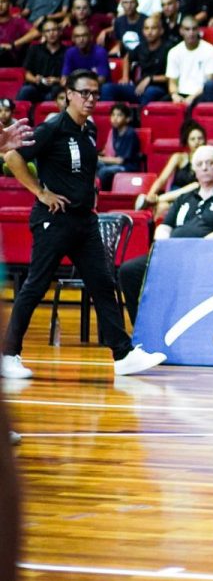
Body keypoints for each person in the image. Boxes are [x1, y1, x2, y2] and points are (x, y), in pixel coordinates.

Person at [2, 69, 167, 380]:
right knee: (36, 286)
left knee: (104, 283)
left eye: (95, 93)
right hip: (55, 220)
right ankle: (9, 354)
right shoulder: (52, 128)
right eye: (84, 93)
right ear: (69, 94)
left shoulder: (89, 130)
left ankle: (123, 355)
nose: (91, 99)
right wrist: (40, 191)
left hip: (84, 222)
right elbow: (12, 157)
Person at [119, 144, 213, 324]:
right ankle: (142, 327)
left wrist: (193, 248)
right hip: (172, 254)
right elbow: (165, 226)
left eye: (210, 163)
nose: (204, 167)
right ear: (194, 170)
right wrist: (165, 246)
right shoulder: (184, 198)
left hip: (206, 258)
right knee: (129, 271)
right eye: (200, 164)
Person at [138, 120, 206, 216]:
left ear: (205, 141)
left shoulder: (208, 160)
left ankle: (157, 199)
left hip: (196, 198)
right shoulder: (178, 157)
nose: (197, 142)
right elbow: (162, 179)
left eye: (200, 138)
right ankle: (151, 202)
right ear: (187, 141)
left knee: (196, 185)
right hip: (173, 197)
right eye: (193, 139)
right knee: (162, 207)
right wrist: (151, 194)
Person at [102, 13, 170, 105]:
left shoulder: (169, 49)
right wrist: (125, 76)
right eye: (146, 28)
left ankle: (140, 119)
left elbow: (172, 77)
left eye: (153, 28)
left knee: (150, 92)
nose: (149, 32)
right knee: (107, 88)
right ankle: (115, 117)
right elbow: (127, 58)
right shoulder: (141, 47)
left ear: (161, 30)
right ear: (142, 31)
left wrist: (150, 79)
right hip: (139, 87)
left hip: (160, 88)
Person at [166, 17, 213, 106]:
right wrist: (175, 95)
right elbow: (172, 82)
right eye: (187, 29)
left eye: (194, 29)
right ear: (181, 31)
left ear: (199, 31)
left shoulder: (210, 50)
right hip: (181, 94)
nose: (191, 33)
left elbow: (209, 82)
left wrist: (192, 98)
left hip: (201, 94)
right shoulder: (173, 52)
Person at [96, 102, 142, 190]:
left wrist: (100, 158)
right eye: (113, 115)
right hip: (117, 164)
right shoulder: (115, 131)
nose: (115, 118)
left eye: (119, 115)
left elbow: (120, 161)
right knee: (94, 164)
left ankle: (104, 194)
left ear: (127, 119)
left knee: (104, 171)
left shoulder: (130, 134)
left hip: (128, 167)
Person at [16, 20, 64, 103]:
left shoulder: (67, 51)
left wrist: (57, 80)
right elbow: (27, 73)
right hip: (36, 86)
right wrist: (36, 79)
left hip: (57, 87)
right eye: (48, 31)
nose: (51, 33)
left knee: (57, 92)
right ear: (43, 34)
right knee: (25, 90)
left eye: (54, 30)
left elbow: (71, 76)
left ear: (60, 32)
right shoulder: (34, 49)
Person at [0, 0, 32, 69]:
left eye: (3, 2)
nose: (0, 5)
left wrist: (13, 44)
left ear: (10, 5)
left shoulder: (18, 21)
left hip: (9, 58)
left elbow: (36, 32)